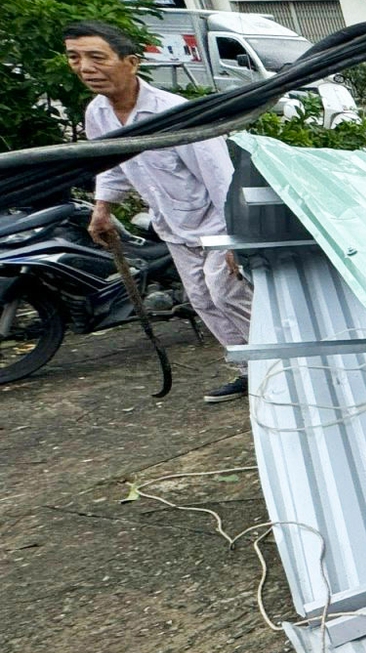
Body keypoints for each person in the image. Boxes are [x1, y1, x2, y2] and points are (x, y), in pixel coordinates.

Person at [64, 21, 251, 404]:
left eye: (97, 57)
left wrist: (237, 238)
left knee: (225, 294)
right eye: (75, 58)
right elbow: (110, 165)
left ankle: (280, 363)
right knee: (201, 301)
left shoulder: (174, 113)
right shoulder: (98, 114)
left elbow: (221, 179)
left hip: (216, 222)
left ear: (131, 62)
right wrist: (102, 208)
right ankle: (250, 369)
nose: (86, 68)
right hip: (173, 225)